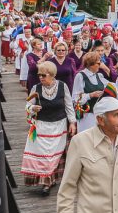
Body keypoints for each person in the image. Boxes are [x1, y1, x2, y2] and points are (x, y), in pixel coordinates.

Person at [22, 61, 77, 196]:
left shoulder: (63, 87)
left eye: (43, 75)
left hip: (59, 126)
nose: (40, 77)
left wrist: (72, 123)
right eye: (39, 74)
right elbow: (27, 105)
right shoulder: (36, 88)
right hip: (41, 126)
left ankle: (49, 181)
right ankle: (46, 182)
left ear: (52, 75)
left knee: (54, 156)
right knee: (44, 156)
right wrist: (32, 108)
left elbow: (69, 106)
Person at [71, 52, 111, 133]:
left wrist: (107, 69)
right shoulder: (80, 76)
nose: (100, 65)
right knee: (87, 141)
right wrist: (91, 95)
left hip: (99, 114)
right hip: (86, 116)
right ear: (91, 64)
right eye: (98, 63)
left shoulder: (99, 76)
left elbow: (113, 87)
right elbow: (75, 99)